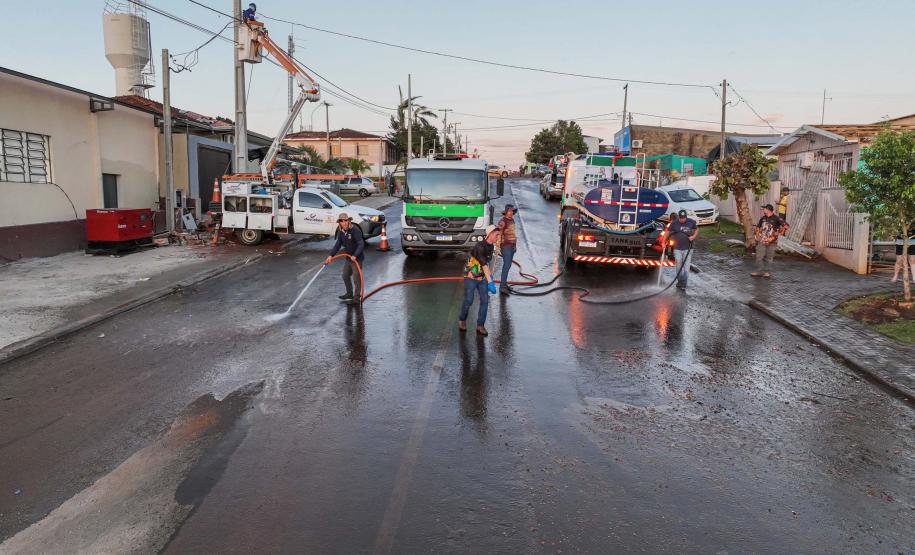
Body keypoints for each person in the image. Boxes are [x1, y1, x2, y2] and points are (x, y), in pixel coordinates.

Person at [459, 225, 500, 336]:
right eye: (496, 234)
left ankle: (480, 325)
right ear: (490, 234)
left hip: (482, 278)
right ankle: (462, 320)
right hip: (471, 277)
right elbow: (484, 264)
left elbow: (488, 263)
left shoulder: (491, 246)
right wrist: (490, 282)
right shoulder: (479, 247)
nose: (498, 236)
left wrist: (489, 276)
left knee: (485, 301)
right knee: (469, 300)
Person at [325, 213, 364, 304]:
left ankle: (357, 298)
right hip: (348, 258)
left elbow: (361, 244)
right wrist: (331, 255)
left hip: (356, 258)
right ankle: (349, 293)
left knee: (356, 277)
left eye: (345, 220)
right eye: (342, 221)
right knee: (345, 275)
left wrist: (355, 255)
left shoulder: (355, 230)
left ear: (349, 221)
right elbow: (337, 245)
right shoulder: (341, 232)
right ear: (340, 223)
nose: (344, 223)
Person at [751, 204, 787, 278]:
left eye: (764, 209)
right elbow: (758, 227)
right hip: (762, 240)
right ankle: (759, 271)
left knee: (769, 257)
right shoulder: (762, 218)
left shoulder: (777, 218)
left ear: (768, 210)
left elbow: (786, 226)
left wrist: (779, 233)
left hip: (772, 241)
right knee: (759, 256)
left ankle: (767, 272)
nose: (763, 210)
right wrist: (757, 235)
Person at [667, 209, 698, 290]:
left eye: (684, 218)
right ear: (679, 217)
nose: (682, 219)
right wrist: (664, 242)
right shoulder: (674, 223)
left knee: (686, 267)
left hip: (688, 249)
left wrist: (693, 237)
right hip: (677, 249)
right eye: (681, 218)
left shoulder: (691, 222)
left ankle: (684, 284)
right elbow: (667, 232)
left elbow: (697, 230)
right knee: (678, 266)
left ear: (686, 217)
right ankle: (679, 282)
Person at [497, 205, 518, 294]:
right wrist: (497, 248)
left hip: (512, 247)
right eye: (510, 211)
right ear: (506, 212)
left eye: (512, 211)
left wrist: (515, 246)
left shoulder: (512, 220)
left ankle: (504, 284)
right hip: (506, 247)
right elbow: (499, 234)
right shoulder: (503, 221)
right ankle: (502, 286)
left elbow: (513, 234)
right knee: (506, 266)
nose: (511, 212)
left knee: (508, 266)